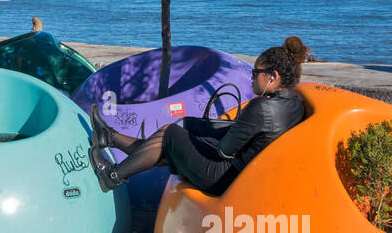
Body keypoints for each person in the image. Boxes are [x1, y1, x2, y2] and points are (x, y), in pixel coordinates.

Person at [88, 43, 306, 195]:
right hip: (241, 174)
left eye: (256, 72)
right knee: (168, 143)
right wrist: (199, 127)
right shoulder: (294, 104)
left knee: (170, 133)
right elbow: (248, 136)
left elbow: (225, 150)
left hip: (223, 177)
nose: (252, 78)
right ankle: (110, 137)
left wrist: (202, 135)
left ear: (273, 76)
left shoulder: (262, 106)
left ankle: (112, 176)